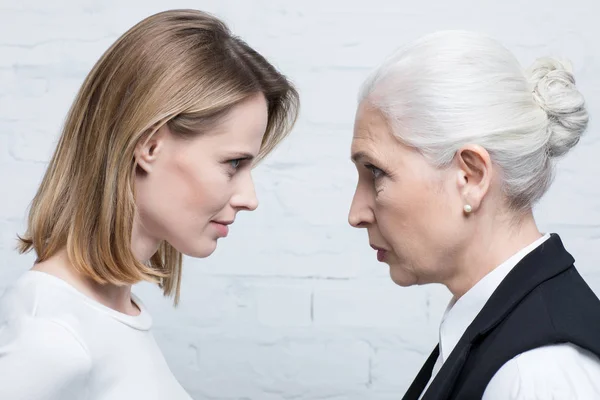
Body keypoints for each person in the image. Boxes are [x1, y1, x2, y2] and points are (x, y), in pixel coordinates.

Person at [0, 9, 299, 400]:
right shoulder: (54, 339)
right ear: (150, 146)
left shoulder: (110, 314)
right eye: (233, 163)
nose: (250, 198)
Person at [348, 30, 600, 399]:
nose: (356, 213)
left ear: (471, 176)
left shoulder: (536, 374)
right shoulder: (498, 329)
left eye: (376, 172)